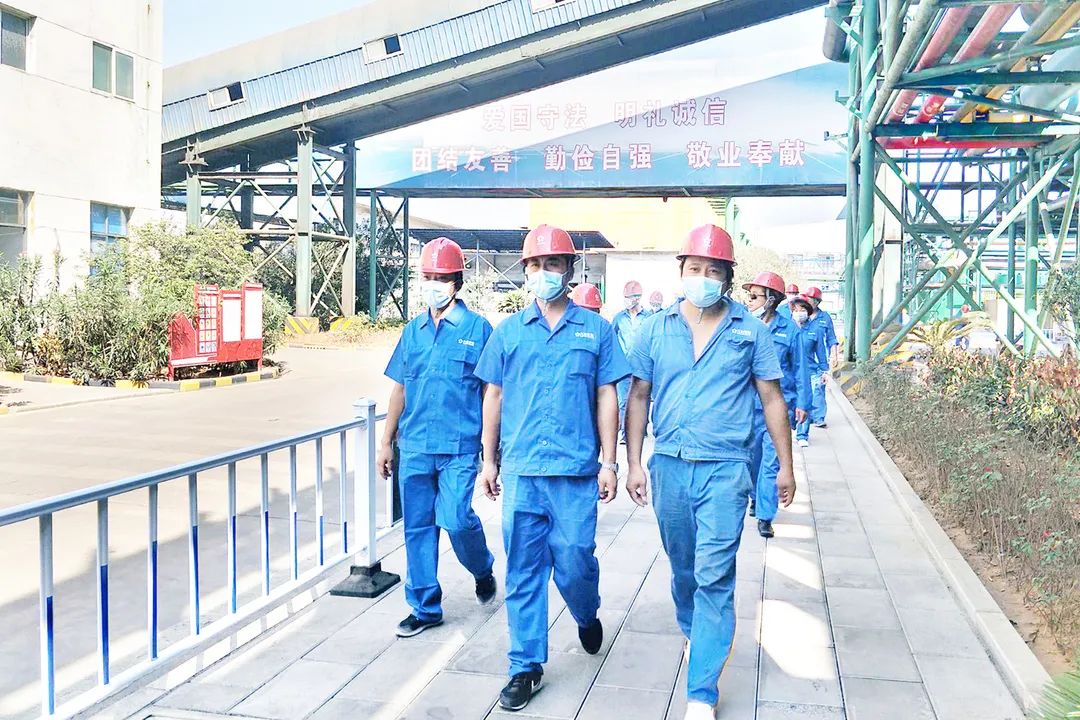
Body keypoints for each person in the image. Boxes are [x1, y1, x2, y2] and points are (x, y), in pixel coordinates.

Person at [623, 224, 796, 719]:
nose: (703, 277)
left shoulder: (750, 331)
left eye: (713, 270)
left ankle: (701, 692)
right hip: (670, 466)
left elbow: (771, 398)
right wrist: (632, 463)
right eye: (695, 268)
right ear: (681, 271)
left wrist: (785, 466)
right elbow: (639, 394)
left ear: (727, 277)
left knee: (714, 574)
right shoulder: (654, 329)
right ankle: (693, 630)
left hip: (726, 469)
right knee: (683, 569)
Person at [474, 224, 629, 712]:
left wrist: (610, 462)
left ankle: (586, 611)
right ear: (526, 272)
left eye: (553, 264)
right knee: (523, 571)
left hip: (575, 473)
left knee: (575, 560)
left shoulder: (596, 330)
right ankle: (525, 666)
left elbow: (607, 395)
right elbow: (494, 396)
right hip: (522, 472)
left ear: (569, 269)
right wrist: (488, 461)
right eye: (536, 265)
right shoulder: (508, 332)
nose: (544, 272)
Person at [377, 237, 497, 639]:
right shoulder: (413, 331)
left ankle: (482, 568)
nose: (433, 284)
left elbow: (491, 393)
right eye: (427, 276)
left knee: (456, 519)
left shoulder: (478, 330)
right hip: (413, 447)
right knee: (418, 528)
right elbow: (400, 388)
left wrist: (492, 453)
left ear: (457, 282)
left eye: (441, 277)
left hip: (459, 448)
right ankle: (425, 606)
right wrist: (386, 441)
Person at [742, 271, 810, 538]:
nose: (749, 301)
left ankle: (765, 515)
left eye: (754, 296)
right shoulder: (744, 326)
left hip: (779, 408)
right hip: (748, 407)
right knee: (752, 461)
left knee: (771, 463)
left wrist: (803, 403)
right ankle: (756, 497)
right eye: (749, 296)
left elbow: (800, 368)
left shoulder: (789, 330)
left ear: (771, 299)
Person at [612, 280, 652, 442]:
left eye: (629, 297)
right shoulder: (619, 318)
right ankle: (625, 433)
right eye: (625, 297)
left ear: (637, 298)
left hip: (643, 368)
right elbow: (612, 339)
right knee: (624, 401)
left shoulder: (649, 318)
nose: (627, 300)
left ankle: (641, 429)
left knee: (642, 399)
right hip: (623, 367)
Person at [790, 295, 829, 449]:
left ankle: (802, 435)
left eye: (802, 309)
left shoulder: (815, 330)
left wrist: (825, 371)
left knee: (806, 401)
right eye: (796, 309)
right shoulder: (786, 329)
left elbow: (821, 352)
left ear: (808, 312)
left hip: (810, 372)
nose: (799, 312)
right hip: (790, 372)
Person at [803, 287, 838, 428]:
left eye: (813, 300)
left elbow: (831, 338)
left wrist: (834, 355)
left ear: (818, 302)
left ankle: (818, 417)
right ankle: (805, 416)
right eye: (808, 300)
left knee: (818, 388)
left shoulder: (825, 318)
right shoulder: (801, 316)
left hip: (819, 360)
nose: (810, 302)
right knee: (804, 389)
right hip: (804, 359)